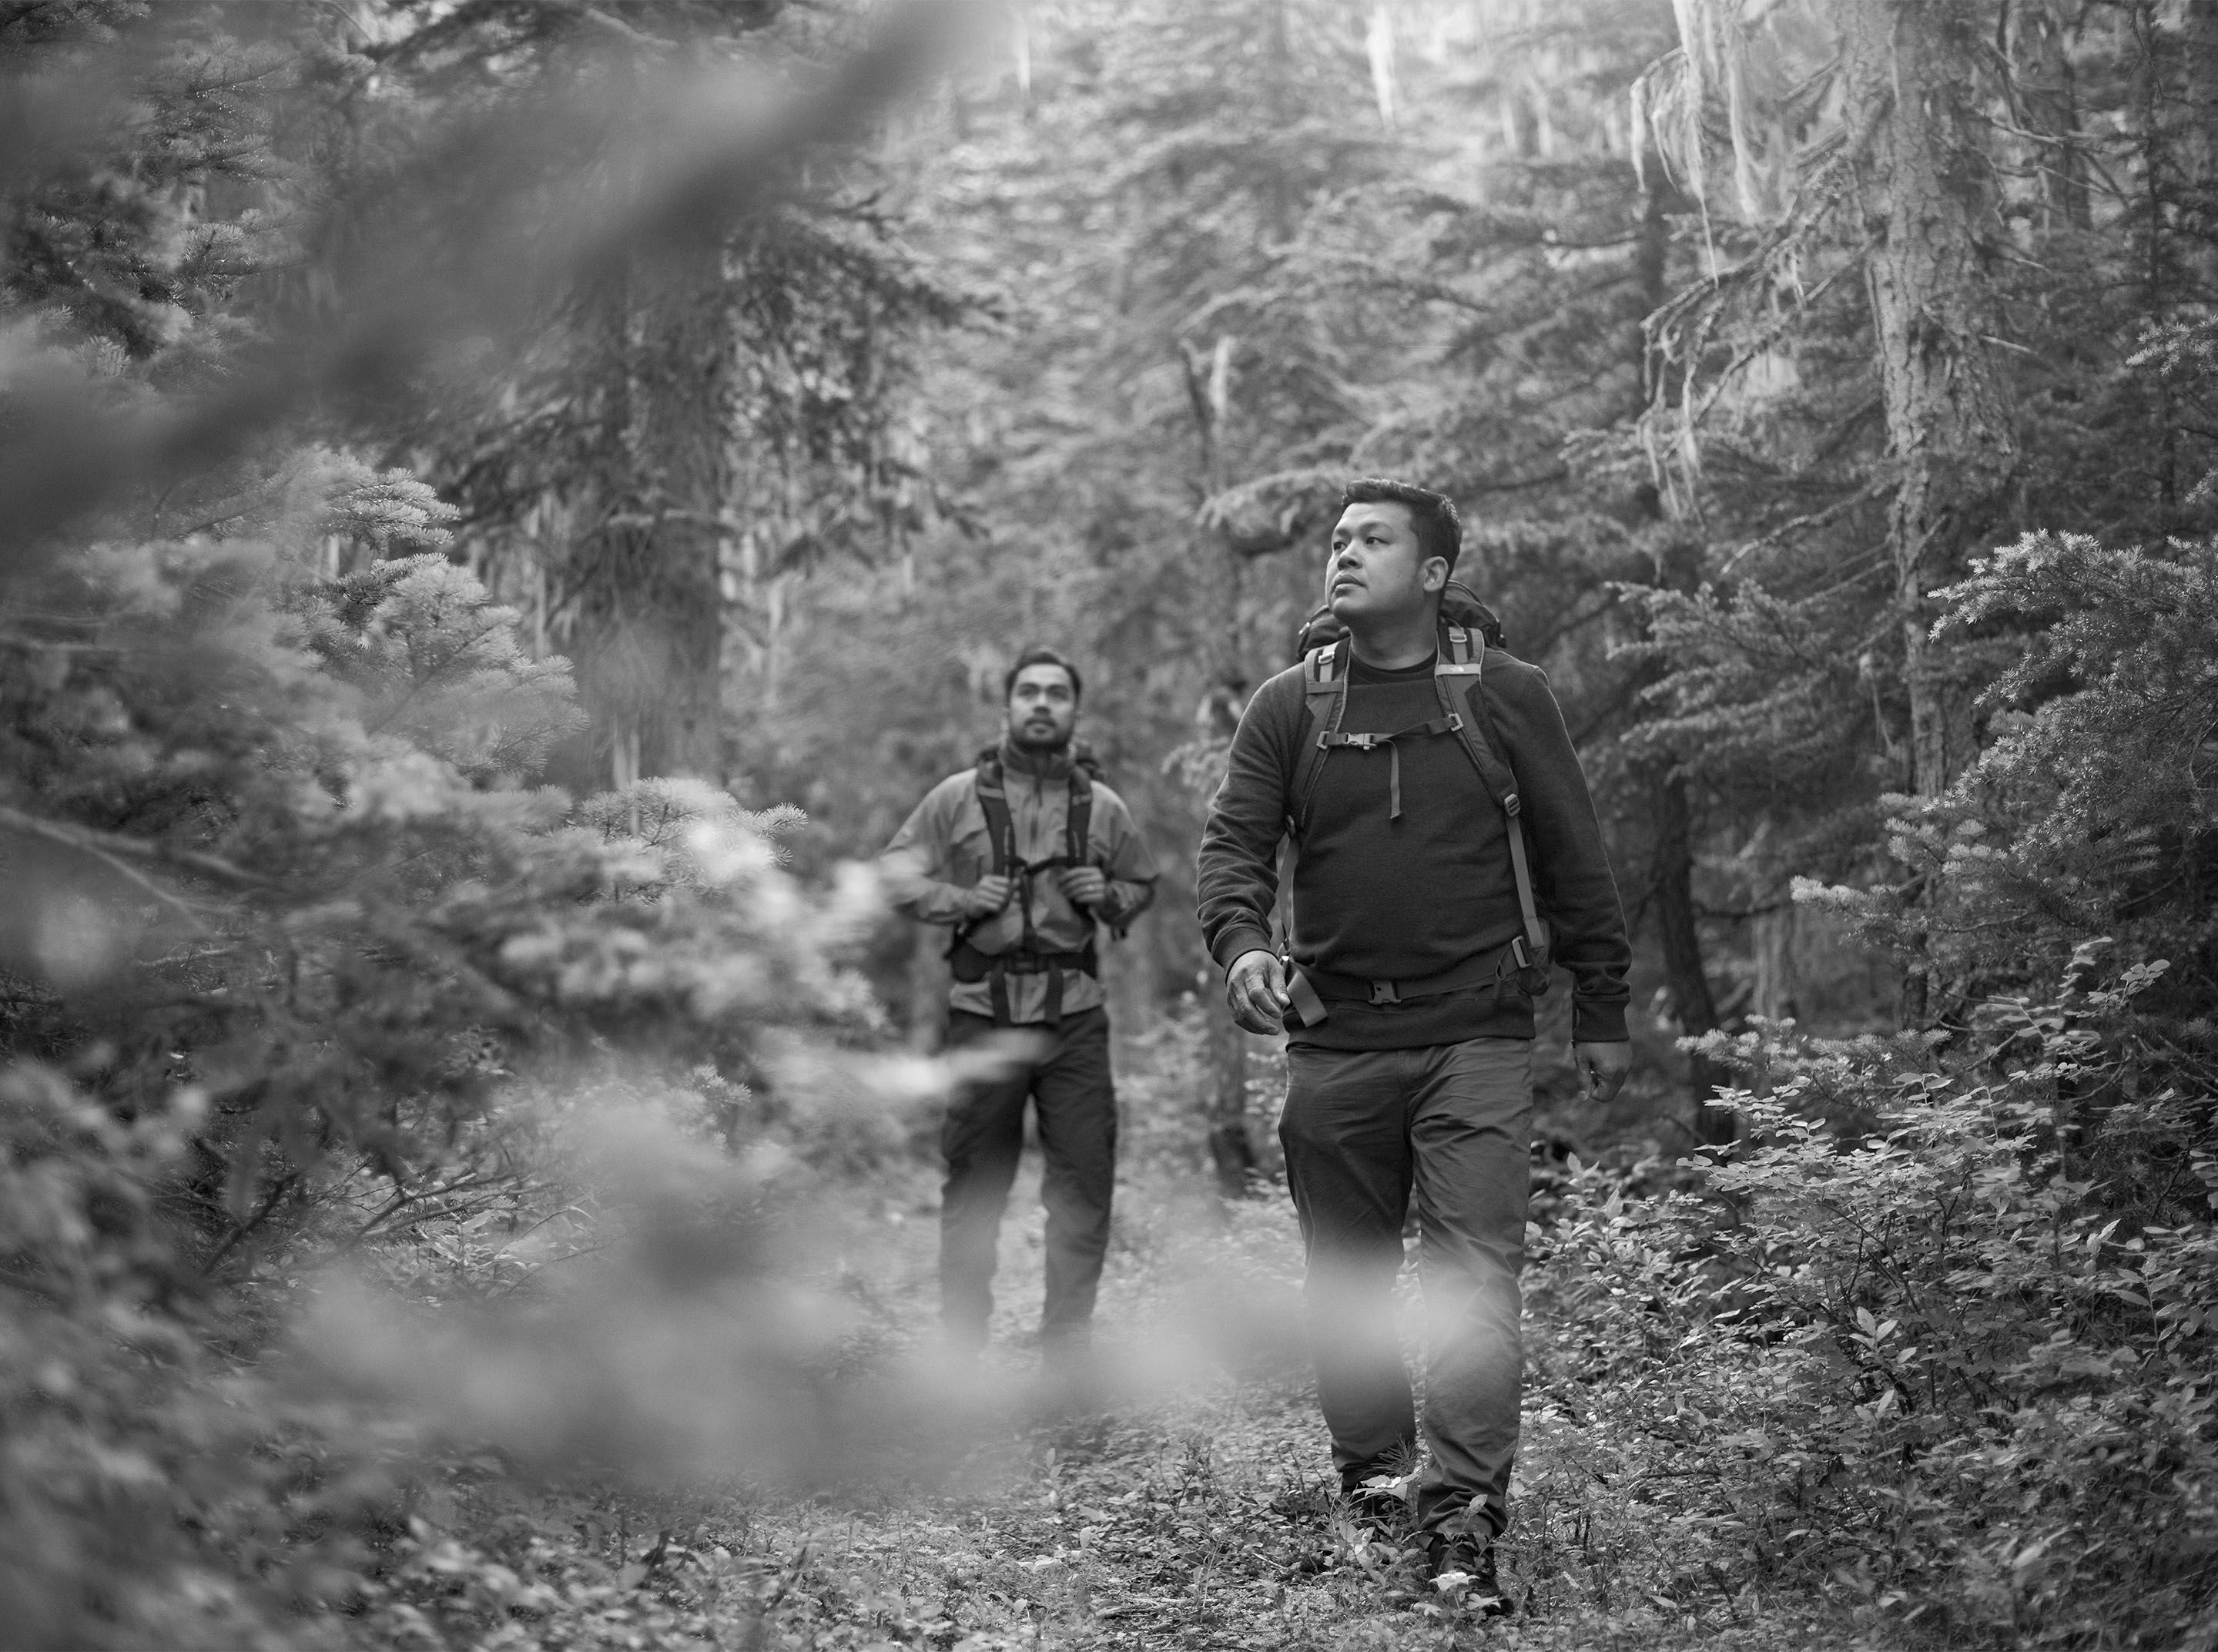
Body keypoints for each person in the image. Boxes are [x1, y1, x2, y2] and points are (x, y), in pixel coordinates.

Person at [1196, 478, 1632, 1607]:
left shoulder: (1506, 695)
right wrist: (1243, 948)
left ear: (1433, 574)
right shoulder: (1290, 706)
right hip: (1334, 1040)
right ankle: (1377, 1486)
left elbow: (1577, 855)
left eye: (1373, 540)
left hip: (1476, 1037)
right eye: (1337, 540)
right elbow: (1233, 851)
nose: (1343, 554)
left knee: (1474, 1281)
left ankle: (1462, 1524)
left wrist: (1603, 1010)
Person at [882, 647, 1159, 1359]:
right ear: (1006, 707)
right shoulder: (956, 798)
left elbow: (1140, 881)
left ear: (1074, 709)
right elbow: (896, 871)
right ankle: (962, 1357)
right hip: (984, 1013)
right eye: (1029, 692)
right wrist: (960, 900)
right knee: (974, 1185)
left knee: (1083, 1185)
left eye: (1057, 693)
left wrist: (1110, 897)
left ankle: (1065, 1354)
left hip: (1075, 1020)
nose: (1042, 703)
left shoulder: (1103, 807)